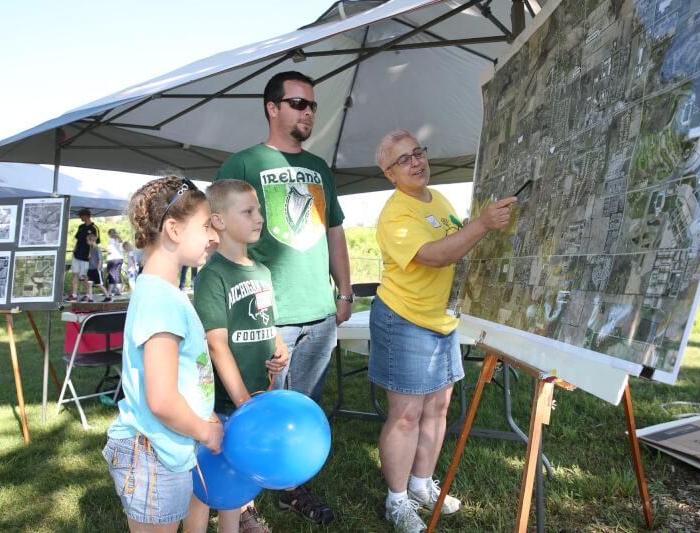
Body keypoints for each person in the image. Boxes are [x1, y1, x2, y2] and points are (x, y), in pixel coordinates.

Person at [214, 70, 351, 525]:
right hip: (266, 316)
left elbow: (334, 231)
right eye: (298, 103)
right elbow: (222, 233)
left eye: (312, 105)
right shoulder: (244, 163)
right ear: (272, 108)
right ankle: (241, 503)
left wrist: (344, 291)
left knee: (300, 409)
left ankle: (289, 487)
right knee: (253, 409)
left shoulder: (320, 168)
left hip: (319, 313)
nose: (308, 112)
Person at [369, 130, 516, 533]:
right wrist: (481, 226)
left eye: (418, 153)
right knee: (406, 415)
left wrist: (471, 228)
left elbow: (454, 239)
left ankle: (420, 486)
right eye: (404, 160)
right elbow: (435, 256)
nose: (416, 162)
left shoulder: (439, 200)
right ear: (389, 174)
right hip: (406, 320)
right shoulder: (395, 213)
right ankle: (396, 501)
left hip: (442, 320)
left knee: (437, 409)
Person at [102, 176, 223, 533]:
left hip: (168, 445)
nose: (214, 236)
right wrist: (204, 430)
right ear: (173, 229)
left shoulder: (164, 292)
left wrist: (204, 416)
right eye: (205, 226)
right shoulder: (159, 300)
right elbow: (161, 399)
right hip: (151, 453)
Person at [192, 179, 289, 533]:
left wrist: (280, 346)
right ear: (218, 221)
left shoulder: (261, 270)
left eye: (258, 210)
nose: (259, 217)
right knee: (208, 485)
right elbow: (216, 344)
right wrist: (243, 402)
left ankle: (235, 526)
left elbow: (266, 320)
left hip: (256, 395)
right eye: (247, 211)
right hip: (225, 401)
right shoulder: (212, 275)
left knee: (235, 483)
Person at [67, 208, 100, 302]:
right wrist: (74, 251)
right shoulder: (81, 227)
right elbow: (77, 240)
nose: (80, 217)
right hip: (77, 255)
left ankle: (87, 295)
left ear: (86, 216)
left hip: (87, 257)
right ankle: (73, 294)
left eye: (81, 216)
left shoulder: (94, 228)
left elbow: (96, 242)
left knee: (86, 276)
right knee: (74, 274)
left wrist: (93, 258)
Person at [86, 234, 113, 303]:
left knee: (99, 285)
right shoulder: (91, 248)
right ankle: (90, 299)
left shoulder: (97, 249)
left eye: (88, 240)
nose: (87, 242)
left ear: (91, 240)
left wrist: (97, 269)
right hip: (91, 269)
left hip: (96, 270)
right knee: (89, 284)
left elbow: (100, 260)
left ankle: (108, 297)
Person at [105, 228, 125, 295]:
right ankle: (119, 290)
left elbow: (110, 250)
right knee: (117, 274)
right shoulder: (119, 241)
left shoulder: (111, 240)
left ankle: (109, 291)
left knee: (111, 274)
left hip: (113, 258)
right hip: (120, 258)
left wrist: (106, 249)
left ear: (110, 234)